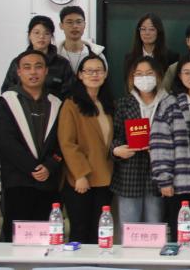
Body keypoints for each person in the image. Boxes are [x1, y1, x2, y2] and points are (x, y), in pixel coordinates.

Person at [0, 49, 63, 242]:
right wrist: (33, 168)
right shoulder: (7, 102)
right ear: (19, 72)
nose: (33, 72)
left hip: (48, 182)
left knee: (46, 237)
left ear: (46, 71)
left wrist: (49, 166)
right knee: (16, 238)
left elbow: (62, 142)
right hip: (18, 182)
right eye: (27, 67)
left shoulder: (56, 103)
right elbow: (7, 142)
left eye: (38, 67)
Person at [151, 53, 190, 245]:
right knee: (183, 236)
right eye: (187, 73)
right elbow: (160, 144)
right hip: (180, 182)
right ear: (179, 76)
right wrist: (164, 179)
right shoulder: (170, 104)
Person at [58, 55, 114, 244]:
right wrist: (80, 174)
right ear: (80, 75)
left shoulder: (107, 103)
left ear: (105, 74)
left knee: (100, 231)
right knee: (80, 230)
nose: (94, 74)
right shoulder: (71, 104)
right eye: (89, 71)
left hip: (105, 177)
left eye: (99, 70)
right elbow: (67, 143)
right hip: (81, 179)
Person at [111, 56, 168, 225]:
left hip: (158, 176)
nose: (144, 78)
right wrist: (116, 150)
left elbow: (176, 137)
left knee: (155, 226)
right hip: (130, 174)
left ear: (158, 76)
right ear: (132, 77)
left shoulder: (168, 103)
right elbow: (114, 136)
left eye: (149, 73)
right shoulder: (123, 104)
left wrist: (159, 147)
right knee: (129, 227)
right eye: (139, 74)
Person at [0, 15, 75, 99]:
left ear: (51, 36)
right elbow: (7, 92)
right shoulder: (18, 62)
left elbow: (70, 94)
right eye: (36, 32)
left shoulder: (62, 64)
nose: (41, 37)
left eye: (46, 33)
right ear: (29, 35)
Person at [56, 5, 107, 73]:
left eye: (79, 22)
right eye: (69, 22)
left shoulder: (97, 54)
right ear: (61, 26)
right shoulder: (54, 55)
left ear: (84, 25)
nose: (75, 26)